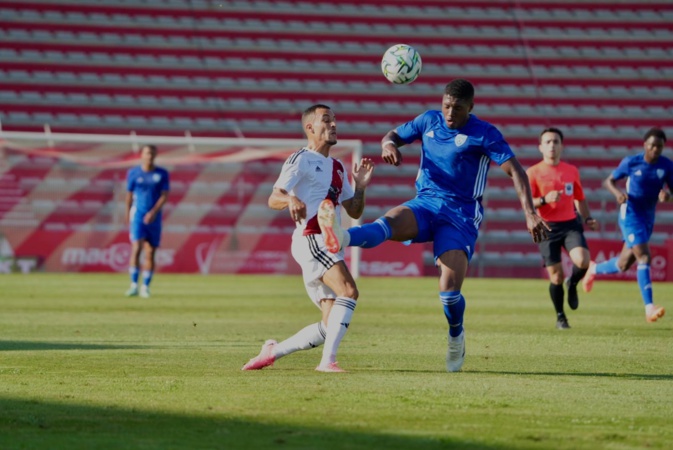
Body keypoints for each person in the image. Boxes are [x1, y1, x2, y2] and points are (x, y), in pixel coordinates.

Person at [318, 79, 549, 372]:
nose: (450, 113)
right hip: (426, 202)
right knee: (387, 223)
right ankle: (341, 235)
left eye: (458, 108)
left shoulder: (484, 133)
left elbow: (516, 171)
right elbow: (392, 135)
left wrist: (529, 213)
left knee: (449, 292)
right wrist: (389, 144)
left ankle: (456, 336)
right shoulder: (429, 120)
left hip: (460, 215)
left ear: (471, 108)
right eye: (446, 106)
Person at [242, 104, 374, 373]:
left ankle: (272, 352)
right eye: (326, 120)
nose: (334, 124)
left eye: (335, 120)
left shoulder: (338, 167)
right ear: (310, 127)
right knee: (349, 291)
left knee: (329, 323)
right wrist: (291, 198)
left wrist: (360, 186)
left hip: (328, 242)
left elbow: (355, 210)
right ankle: (328, 362)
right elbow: (273, 197)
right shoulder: (300, 159)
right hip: (312, 236)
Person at [583, 127, 673, 323]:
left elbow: (672, 192)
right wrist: (618, 195)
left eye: (659, 146)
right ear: (645, 146)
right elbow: (608, 181)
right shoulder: (631, 162)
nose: (655, 150)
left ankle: (594, 269)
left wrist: (668, 196)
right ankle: (649, 308)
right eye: (652, 146)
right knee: (644, 255)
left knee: (624, 264)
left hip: (648, 218)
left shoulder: (666, 166)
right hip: (630, 215)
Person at [526, 128, 599, 330]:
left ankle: (573, 283)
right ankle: (560, 317)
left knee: (583, 261)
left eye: (556, 141)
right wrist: (544, 199)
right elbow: (527, 203)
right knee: (556, 276)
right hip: (546, 227)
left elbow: (579, 197)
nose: (552, 145)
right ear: (540, 147)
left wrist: (588, 217)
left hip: (570, 225)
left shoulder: (571, 170)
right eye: (548, 142)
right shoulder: (533, 172)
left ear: (561, 146)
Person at [124, 144, 170, 298]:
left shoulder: (162, 174)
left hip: (154, 218)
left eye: (152, 153)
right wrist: (127, 215)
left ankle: (145, 287)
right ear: (142, 155)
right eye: (147, 153)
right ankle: (133, 285)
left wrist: (153, 212)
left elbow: (164, 195)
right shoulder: (133, 173)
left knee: (150, 252)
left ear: (155, 155)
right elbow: (129, 196)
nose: (149, 156)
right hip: (138, 216)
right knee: (136, 248)